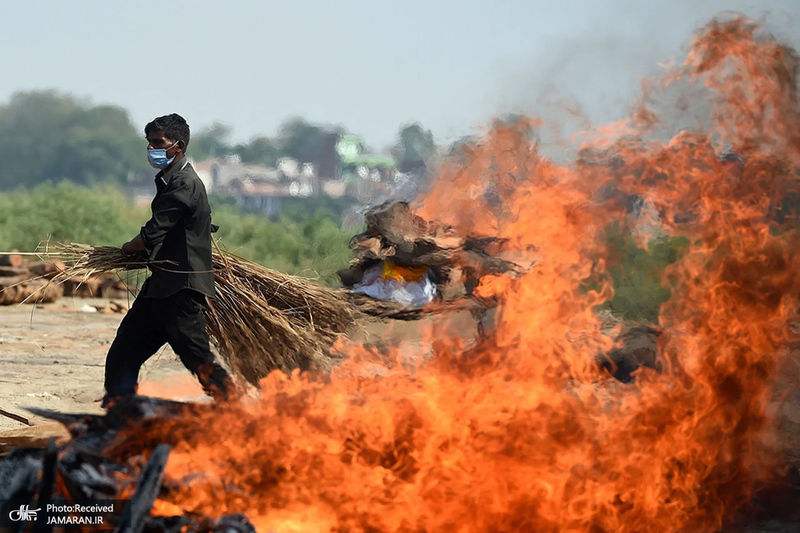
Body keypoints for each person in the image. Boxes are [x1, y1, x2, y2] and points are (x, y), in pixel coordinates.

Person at [102, 113, 233, 407]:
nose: (152, 149)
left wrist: (128, 248)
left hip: (182, 291)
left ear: (179, 145)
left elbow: (151, 234)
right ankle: (119, 410)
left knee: (198, 359)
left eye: (158, 143)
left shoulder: (184, 183)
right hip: (160, 289)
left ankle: (233, 406)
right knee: (124, 352)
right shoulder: (170, 180)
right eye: (149, 143)